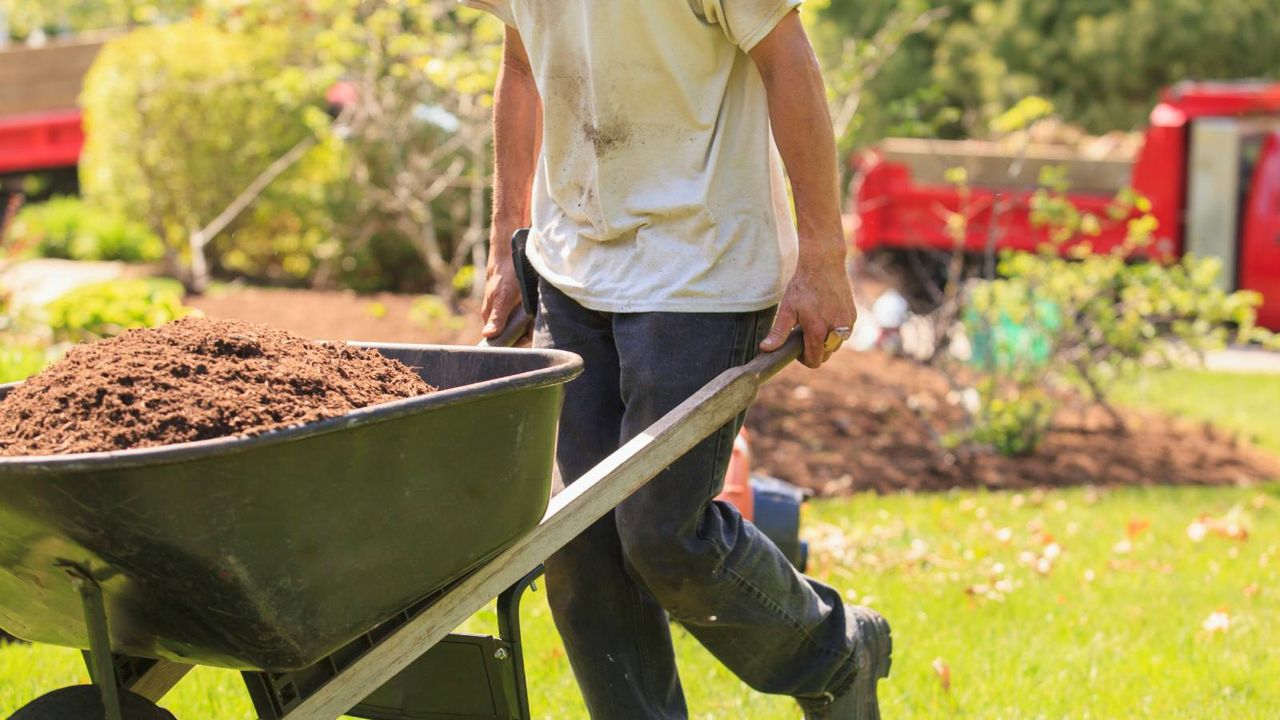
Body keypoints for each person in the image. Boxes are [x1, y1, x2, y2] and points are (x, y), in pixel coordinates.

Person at [466, 1, 891, 717]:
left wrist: (822, 252)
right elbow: (520, 62)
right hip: (573, 263)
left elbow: (788, 60)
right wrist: (509, 237)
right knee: (581, 545)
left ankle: (838, 651)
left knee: (664, 533)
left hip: (704, 263)